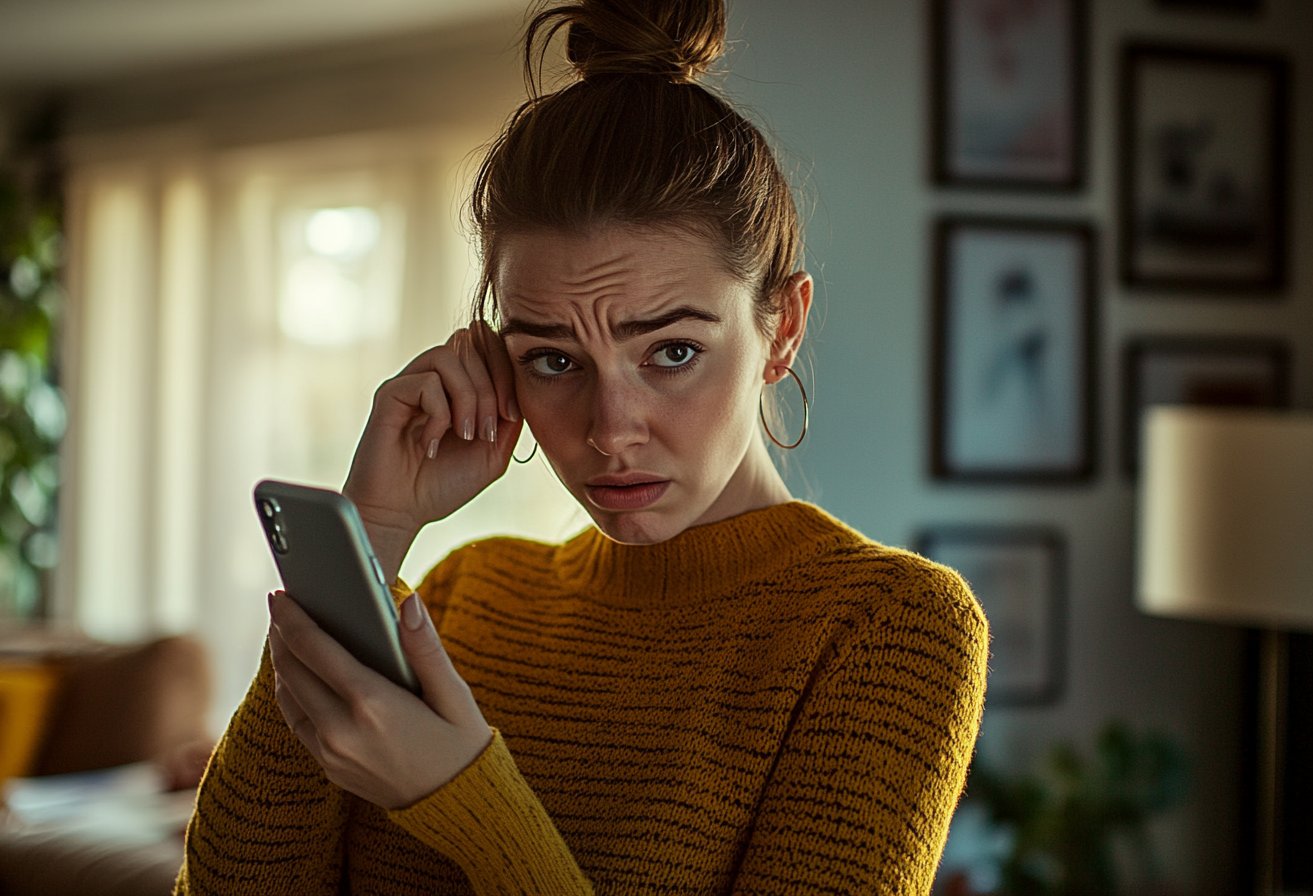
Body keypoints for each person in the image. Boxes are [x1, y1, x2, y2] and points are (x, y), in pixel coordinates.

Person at [175, 1, 988, 893]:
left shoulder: (886, 631)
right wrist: (373, 528)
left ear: (782, 327)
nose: (610, 429)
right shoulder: (460, 599)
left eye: (671, 353)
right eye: (553, 359)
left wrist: (463, 800)